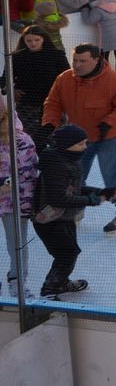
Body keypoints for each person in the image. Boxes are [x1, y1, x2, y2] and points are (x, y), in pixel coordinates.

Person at [42, 43, 116, 232]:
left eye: (82, 61)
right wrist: (49, 124)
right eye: (75, 60)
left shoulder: (115, 79)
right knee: (74, 175)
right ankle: (75, 209)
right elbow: (53, 103)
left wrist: (109, 121)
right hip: (77, 138)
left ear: (96, 60)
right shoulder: (65, 79)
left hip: (109, 135)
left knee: (112, 173)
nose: (77, 65)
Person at [30, 123, 116, 297]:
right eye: (80, 144)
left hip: (63, 218)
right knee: (67, 254)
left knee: (68, 252)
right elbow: (58, 198)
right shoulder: (56, 165)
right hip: (50, 220)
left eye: (85, 143)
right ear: (65, 145)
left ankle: (59, 282)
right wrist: (92, 200)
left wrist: (100, 192)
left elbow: (75, 188)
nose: (84, 147)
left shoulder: (69, 160)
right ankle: (50, 290)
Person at [6, 25, 68, 146]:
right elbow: (5, 78)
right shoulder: (17, 57)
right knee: (29, 139)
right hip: (27, 104)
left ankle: (53, 163)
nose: (33, 43)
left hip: (52, 103)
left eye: (36, 40)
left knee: (55, 138)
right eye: (29, 41)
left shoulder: (56, 55)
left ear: (43, 39)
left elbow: (67, 77)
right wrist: (12, 89)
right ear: (24, 41)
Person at [0, 103, 39, 297]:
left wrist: (27, 203)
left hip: (12, 203)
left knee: (17, 242)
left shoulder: (21, 140)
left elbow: (30, 172)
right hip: (10, 200)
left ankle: (18, 281)